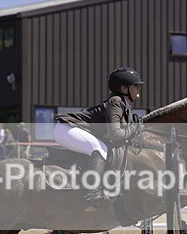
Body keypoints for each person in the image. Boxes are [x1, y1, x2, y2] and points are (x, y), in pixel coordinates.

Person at [54, 66, 144, 211]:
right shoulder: (116, 102)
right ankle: (92, 194)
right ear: (124, 88)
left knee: (102, 147)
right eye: (136, 85)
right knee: (99, 149)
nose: (139, 88)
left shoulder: (124, 105)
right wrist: (134, 128)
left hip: (73, 129)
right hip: (67, 129)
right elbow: (116, 134)